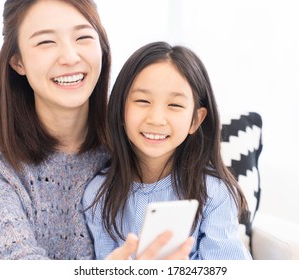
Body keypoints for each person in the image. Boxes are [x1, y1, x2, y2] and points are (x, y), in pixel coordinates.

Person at [0, 0, 193, 260]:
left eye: (83, 37)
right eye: (46, 42)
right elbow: (13, 262)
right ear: (17, 61)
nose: (69, 57)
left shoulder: (135, 128)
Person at [83, 41, 253, 260]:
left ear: (196, 120)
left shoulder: (213, 192)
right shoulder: (98, 194)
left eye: (175, 105)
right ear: (121, 109)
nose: (156, 119)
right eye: (143, 100)